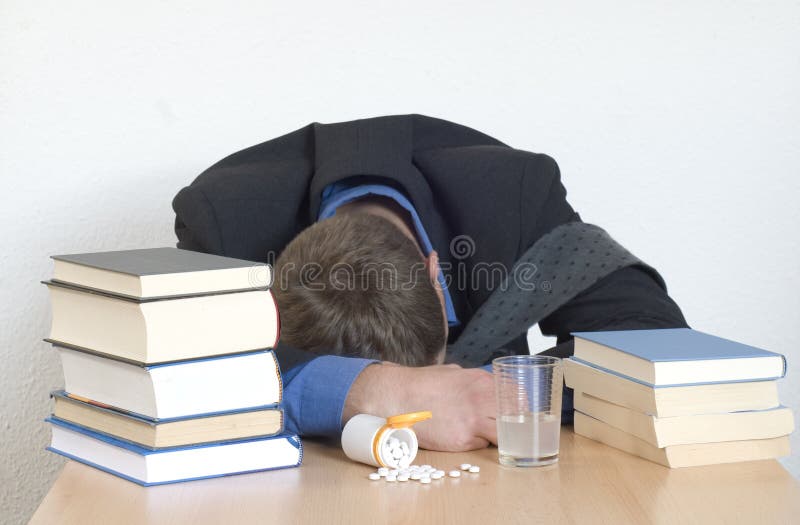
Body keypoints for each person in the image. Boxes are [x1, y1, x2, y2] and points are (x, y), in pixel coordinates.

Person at [172, 114, 687, 452]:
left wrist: (494, 393)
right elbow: (175, 373)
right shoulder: (222, 221)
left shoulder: (517, 193)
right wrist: (373, 391)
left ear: (436, 277)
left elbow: (654, 342)